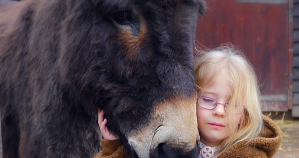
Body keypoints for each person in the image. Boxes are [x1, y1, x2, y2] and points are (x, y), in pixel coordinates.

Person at [94, 45, 283, 158]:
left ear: (244, 114)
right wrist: (114, 145)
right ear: (190, 100)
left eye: (232, 104)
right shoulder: (166, 146)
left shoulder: (252, 154)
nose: (219, 111)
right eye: (208, 100)